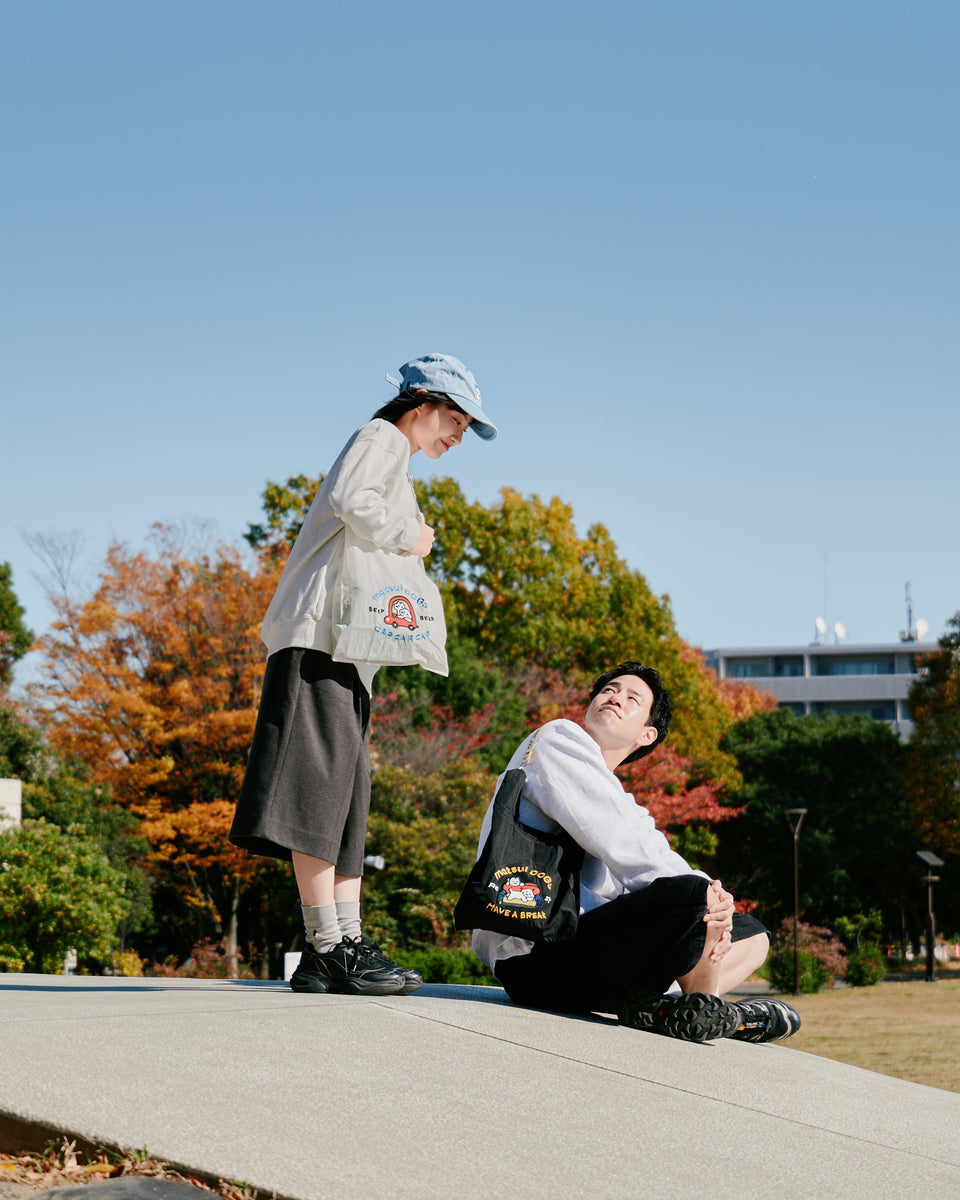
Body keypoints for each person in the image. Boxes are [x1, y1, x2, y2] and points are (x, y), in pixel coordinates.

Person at [230, 353, 497, 996]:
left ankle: (342, 941)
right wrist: (411, 535)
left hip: (342, 649)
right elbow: (355, 501)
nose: (458, 437)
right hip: (317, 639)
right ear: (422, 403)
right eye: (456, 420)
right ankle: (328, 944)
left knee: (346, 796)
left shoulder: (396, 455)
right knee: (319, 791)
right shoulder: (381, 436)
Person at [471, 662, 801, 1043]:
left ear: (647, 734)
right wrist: (708, 901)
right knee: (694, 898)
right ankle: (716, 1012)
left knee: (753, 934)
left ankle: (674, 1010)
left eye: (632, 698)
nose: (615, 697)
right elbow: (629, 847)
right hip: (534, 961)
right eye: (609, 690)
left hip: (597, 966)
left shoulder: (623, 802)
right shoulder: (557, 740)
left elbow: (651, 854)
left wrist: (718, 907)